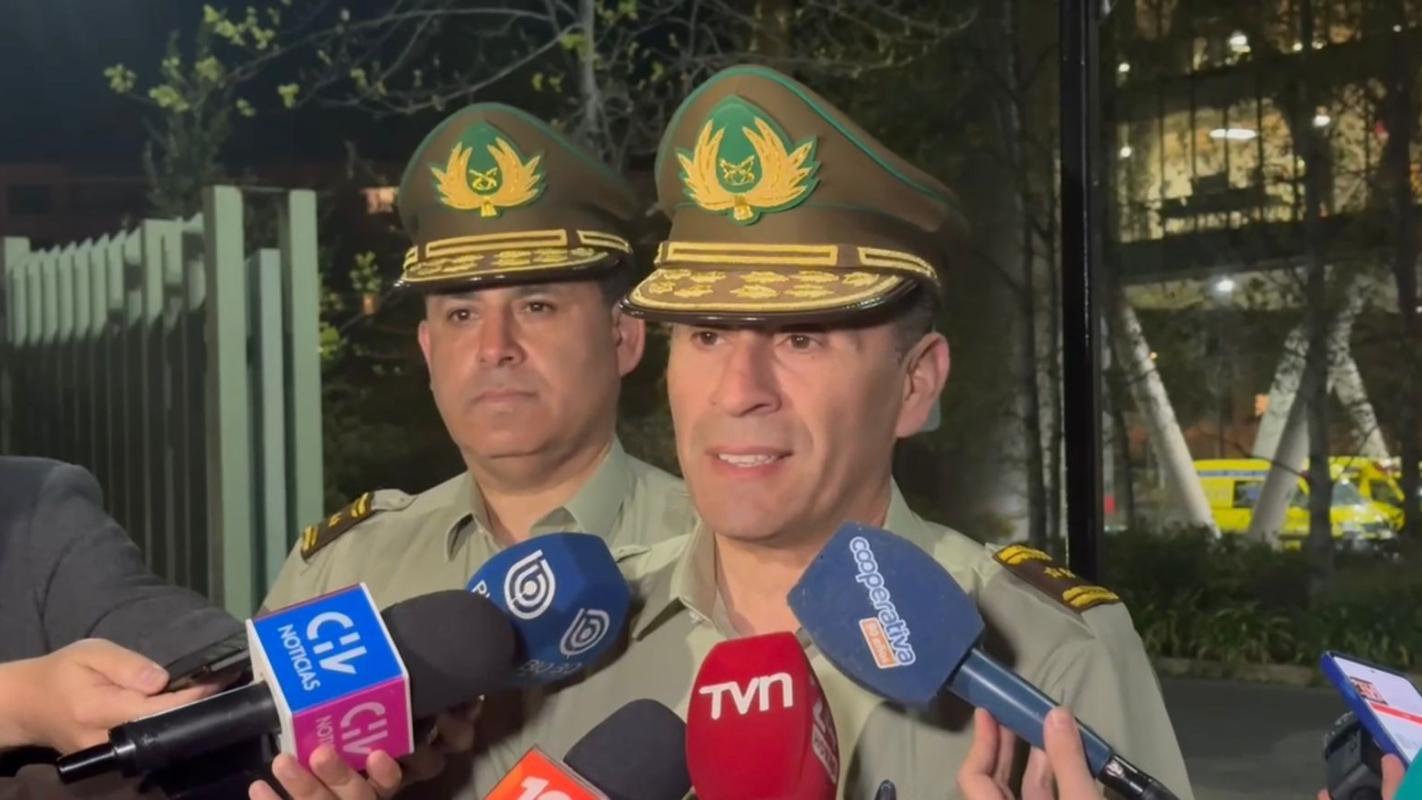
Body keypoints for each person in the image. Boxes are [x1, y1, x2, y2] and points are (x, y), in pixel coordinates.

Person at [449, 64, 1194, 799]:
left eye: (801, 339)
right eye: (706, 335)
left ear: (916, 384)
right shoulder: (560, 641)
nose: (739, 391)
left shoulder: (1047, 660)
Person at [252, 103, 694, 800]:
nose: (494, 348)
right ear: (429, 352)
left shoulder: (721, 561)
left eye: (537, 307)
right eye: (461, 314)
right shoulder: (339, 575)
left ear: (624, 338)